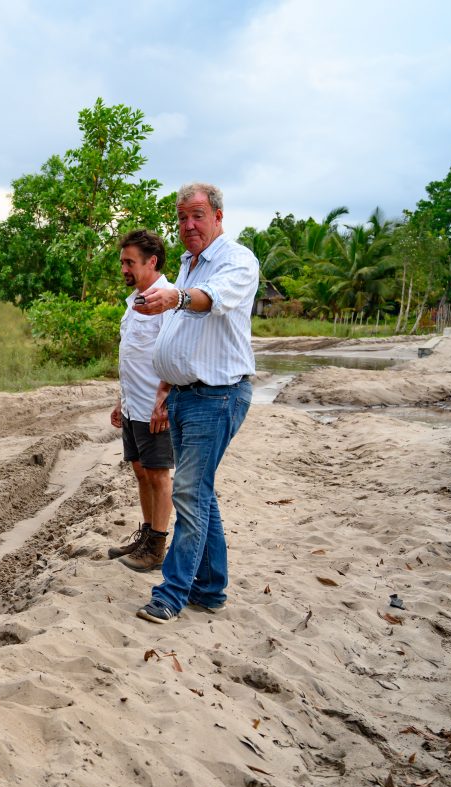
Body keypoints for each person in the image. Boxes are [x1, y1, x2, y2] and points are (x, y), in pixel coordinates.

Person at [130, 182, 257, 624]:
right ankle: (211, 588)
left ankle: (171, 594)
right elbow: (182, 334)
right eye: (182, 218)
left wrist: (176, 296)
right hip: (185, 395)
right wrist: (165, 389)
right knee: (200, 493)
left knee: (188, 491)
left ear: (218, 217)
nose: (189, 226)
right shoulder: (189, 262)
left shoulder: (236, 260)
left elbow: (210, 301)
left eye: (198, 216)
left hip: (218, 395)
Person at [107, 229, 174, 571]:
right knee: (140, 470)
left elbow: (176, 354)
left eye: (130, 262)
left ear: (152, 261)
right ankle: (146, 536)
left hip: (154, 406)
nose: (124, 269)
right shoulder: (133, 302)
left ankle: (157, 547)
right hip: (134, 403)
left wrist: (164, 399)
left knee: (158, 474)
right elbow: (133, 354)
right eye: (122, 262)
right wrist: (122, 400)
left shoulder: (168, 299)